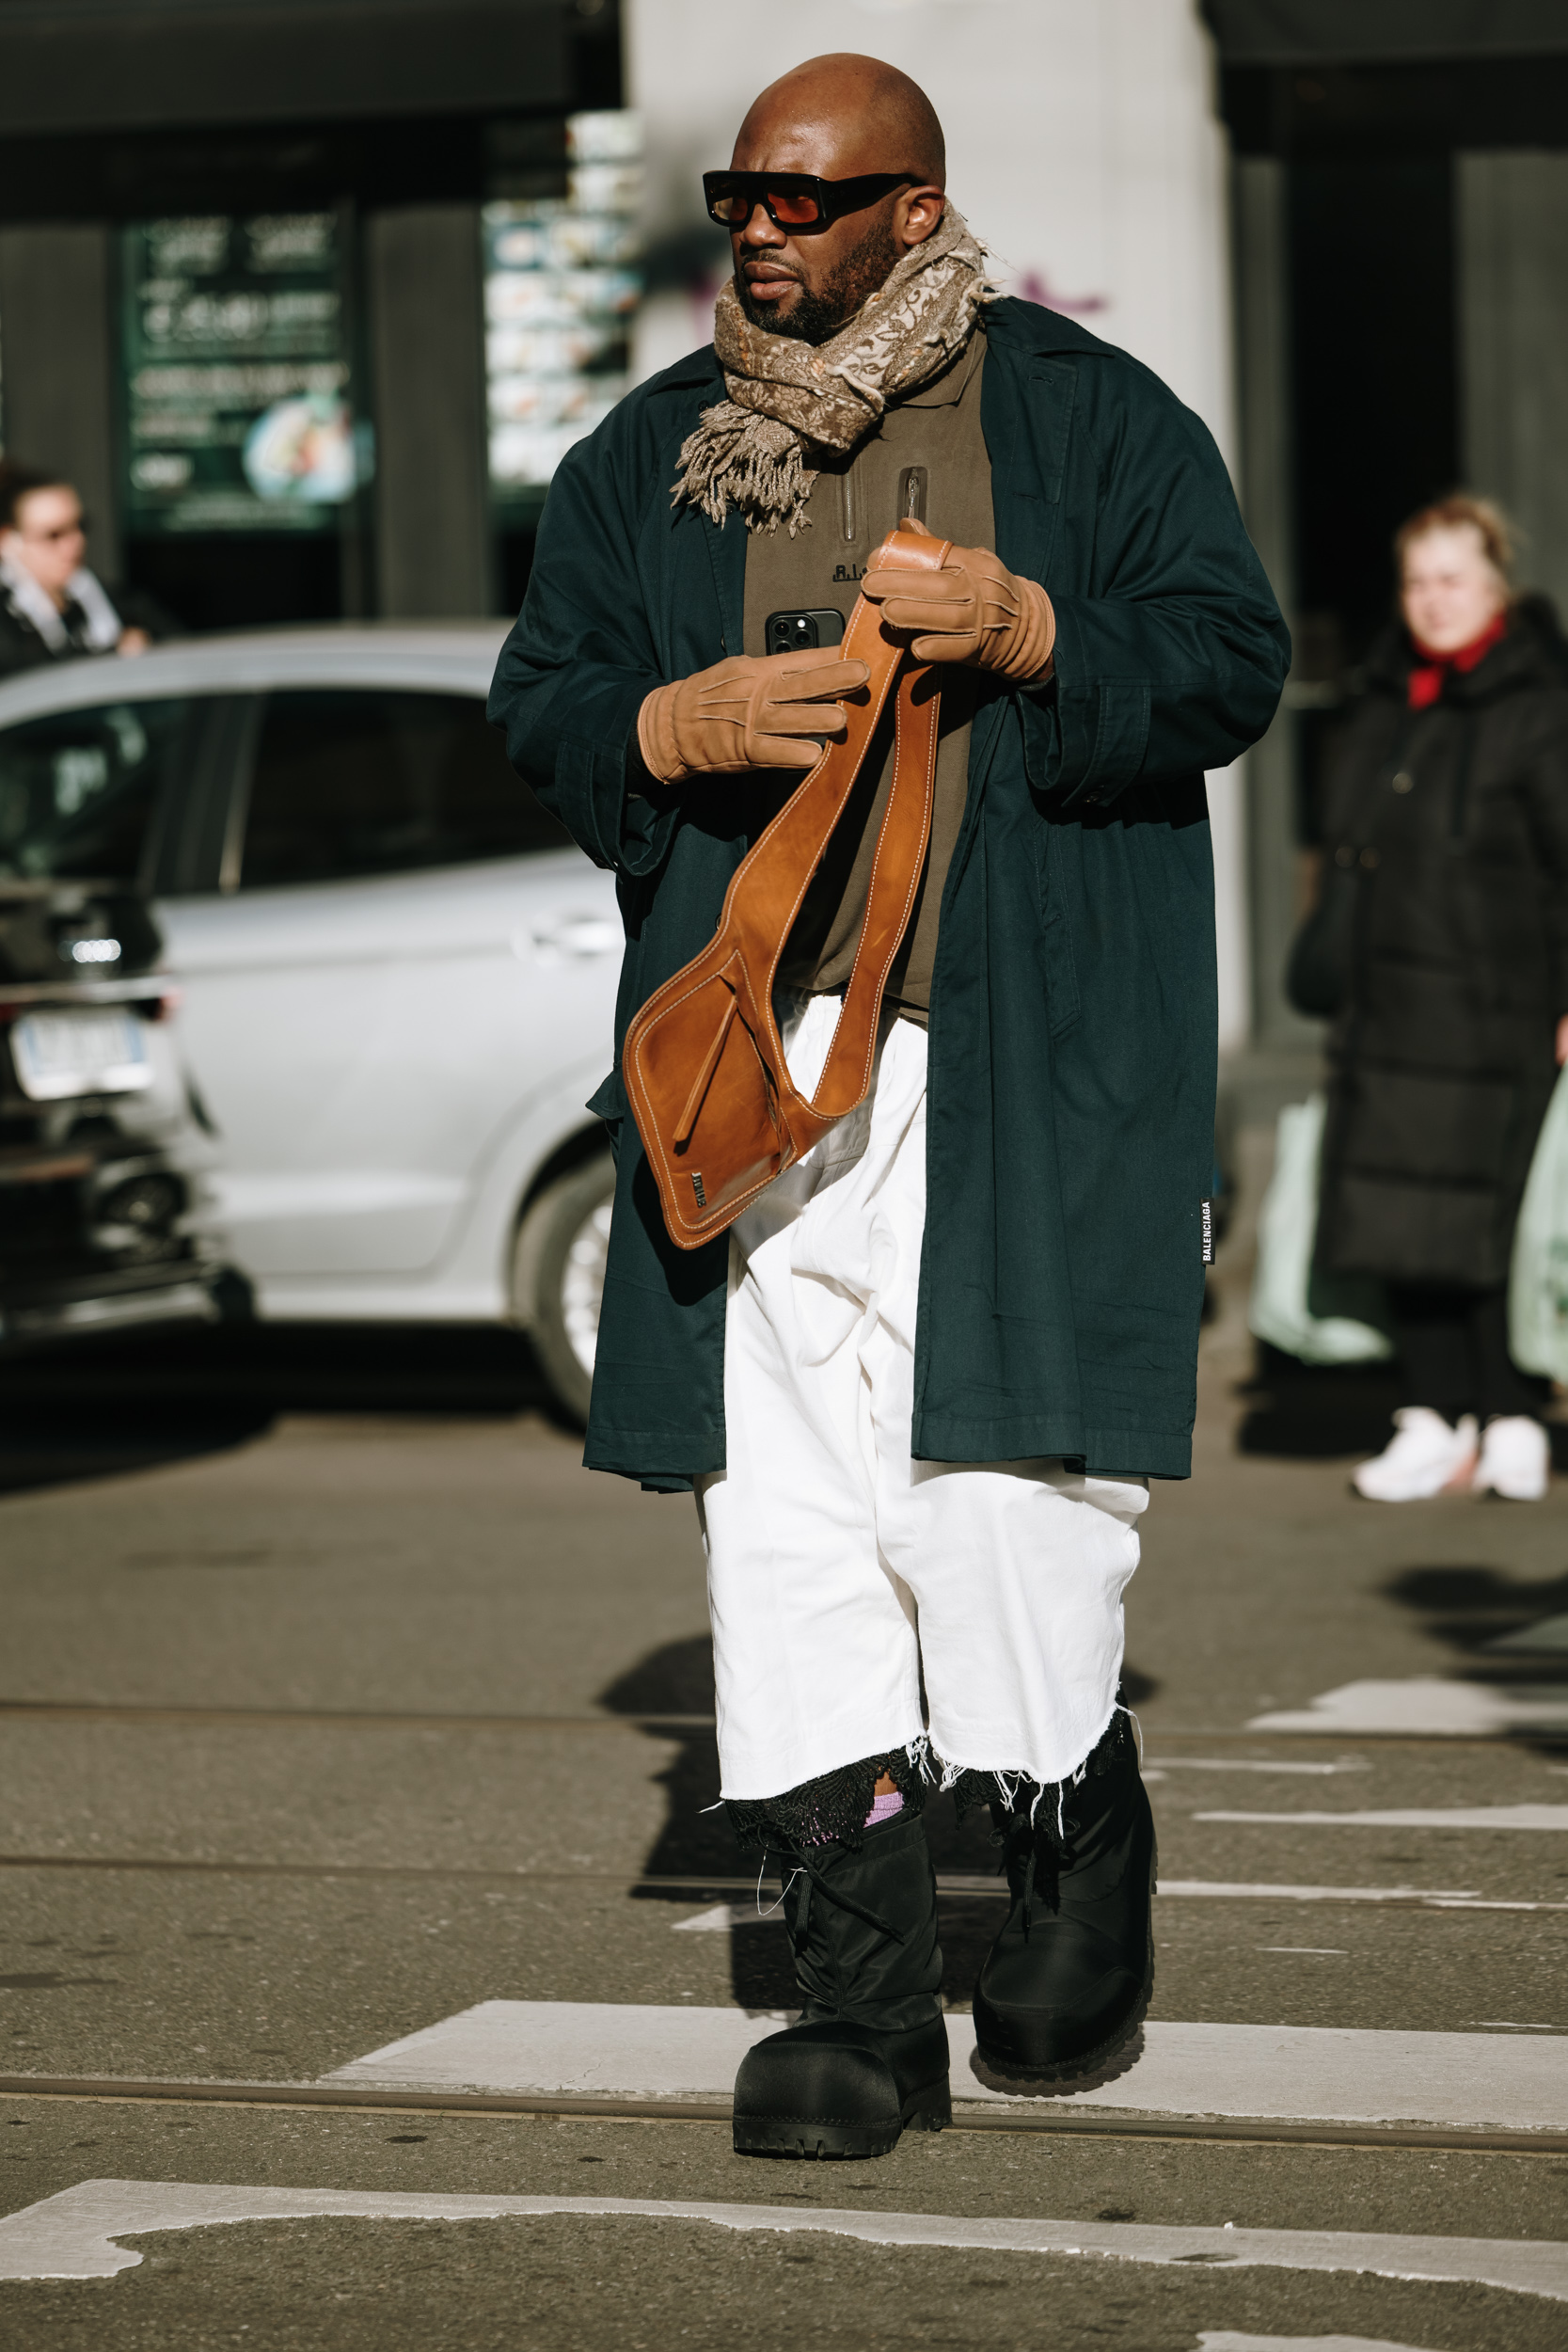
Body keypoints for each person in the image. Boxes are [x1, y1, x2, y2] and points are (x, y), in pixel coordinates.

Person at [490, 55, 1287, 2157]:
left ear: (914, 215)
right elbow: (542, 694)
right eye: (740, 190)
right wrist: (674, 716)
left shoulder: (1083, 416)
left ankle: (1068, 1844)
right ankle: (854, 1990)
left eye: (809, 198)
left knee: (1001, 1506)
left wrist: (1029, 624)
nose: (761, 225)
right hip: (756, 1071)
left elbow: (1224, 657)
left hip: (1016, 1055)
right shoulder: (651, 449)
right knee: (781, 1513)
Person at [1311, 496, 1568, 1505]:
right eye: (1415, 581)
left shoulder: (1538, 704)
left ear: (1494, 586)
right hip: (1387, 1009)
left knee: (1493, 1219)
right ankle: (1429, 1412)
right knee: (1397, 1216)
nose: (1430, 601)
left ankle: (1508, 1412)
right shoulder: (1382, 700)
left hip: (1500, 1006)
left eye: (1451, 578)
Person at [0, 464, 169, 678]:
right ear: (7, 541)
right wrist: (113, 656)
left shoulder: (120, 602)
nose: (76, 542)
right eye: (54, 535)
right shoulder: (7, 624)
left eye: (80, 526)